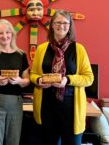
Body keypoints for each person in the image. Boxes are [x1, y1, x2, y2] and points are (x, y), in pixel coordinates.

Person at [30, 10, 94, 145]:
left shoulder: (79, 49)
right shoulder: (41, 49)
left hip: (70, 107)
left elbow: (88, 78)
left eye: (65, 23)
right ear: (52, 25)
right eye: (58, 22)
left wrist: (68, 80)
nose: (61, 26)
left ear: (70, 26)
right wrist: (38, 80)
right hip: (47, 105)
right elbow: (33, 74)